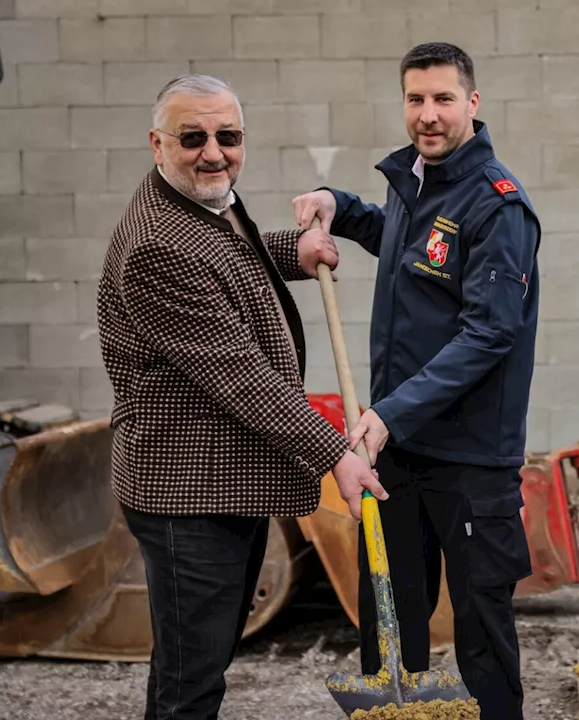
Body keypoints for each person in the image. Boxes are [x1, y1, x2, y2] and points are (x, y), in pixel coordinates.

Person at [96, 73, 388, 720]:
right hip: (187, 493)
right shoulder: (155, 245)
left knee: (198, 665)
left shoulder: (201, 204)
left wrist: (295, 249)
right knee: (190, 684)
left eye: (227, 137)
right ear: (156, 143)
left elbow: (231, 260)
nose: (213, 152)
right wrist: (335, 455)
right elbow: (239, 374)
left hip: (223, 479)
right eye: (192, 137)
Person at [290, 42, 540, 720]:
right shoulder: (416, 183)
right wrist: (337, 203)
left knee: (482, 638)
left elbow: (491, 332)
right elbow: (390, 233)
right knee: (389, 628)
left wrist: (392, 411)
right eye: (416, 99)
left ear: (473, 104)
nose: (428, 115)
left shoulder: (497, 206)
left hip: (469, 465)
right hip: (399, 455)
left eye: (443, 99)